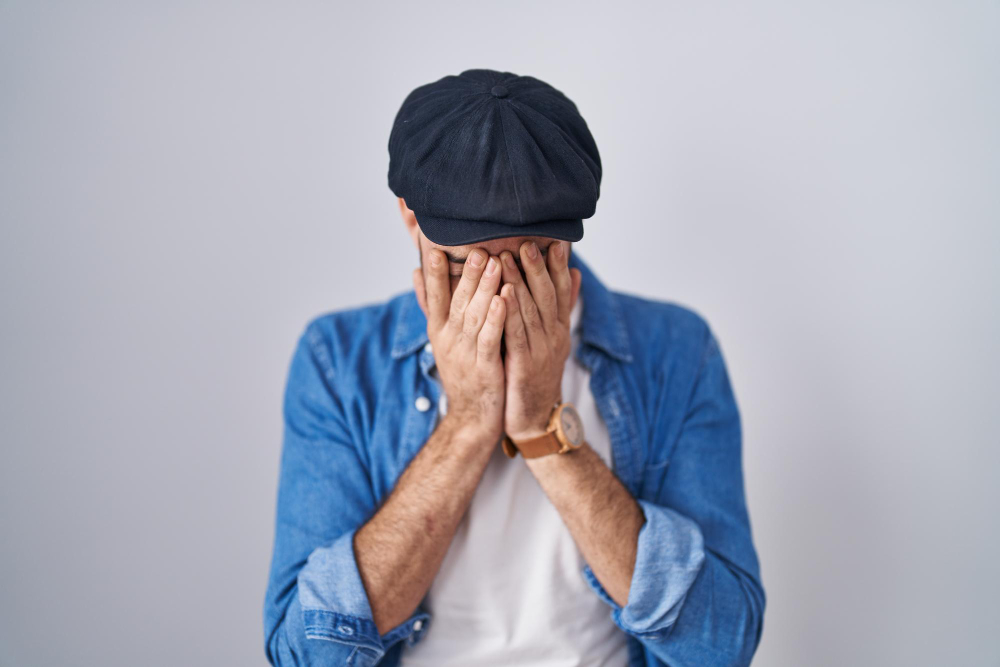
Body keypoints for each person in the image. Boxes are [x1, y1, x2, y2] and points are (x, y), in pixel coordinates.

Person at [263, 69, 765, 667]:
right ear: (409, 216)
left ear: (569, 237)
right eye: (467, 268)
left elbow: (721, 647)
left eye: (530, 265)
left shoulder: (677, 352)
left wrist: (541, 427)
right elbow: (305, 653)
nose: (498, 300)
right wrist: (469, 421)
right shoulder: (337, 362)